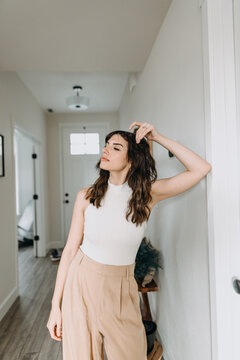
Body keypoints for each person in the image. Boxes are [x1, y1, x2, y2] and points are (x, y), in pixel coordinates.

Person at [46, 121, 211, 359]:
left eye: (115, 147)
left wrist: (158, 136)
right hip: (81, 282)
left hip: (122, 286)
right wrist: (55, 307)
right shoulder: (86, 196)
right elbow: (70, 250)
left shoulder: (148, 195)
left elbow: (200, 168)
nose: (106, 150)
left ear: (132, 158)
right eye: (106, 145)